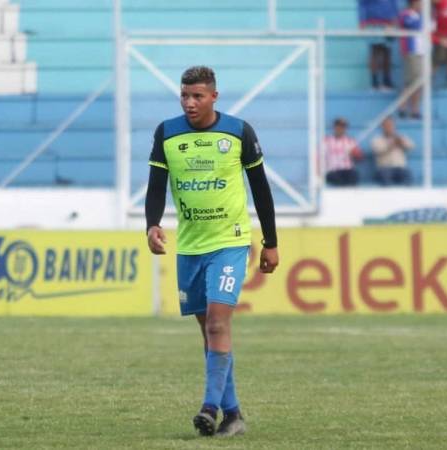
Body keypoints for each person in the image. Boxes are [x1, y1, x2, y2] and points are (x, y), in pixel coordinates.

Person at [145, 66, 279, 438]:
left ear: (214, 97)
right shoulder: (167, 133)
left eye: (198, 96)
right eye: (185, 96)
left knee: (220, 323)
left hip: (230, 242)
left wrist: (270, 242)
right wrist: (152, 224)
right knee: (209, 333)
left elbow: (261, 189)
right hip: (189, 246)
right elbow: (157, 185)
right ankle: (233, 414)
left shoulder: (237, 132)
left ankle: (208, 407)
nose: (190, 103)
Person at [358, 0, 400, 91]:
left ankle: (387, 82)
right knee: (375, 51)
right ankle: (374, 82)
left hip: (389, 23)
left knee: (387, 51)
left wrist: (396, 18)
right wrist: (362, 21)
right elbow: (362, 4)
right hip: (372, 22)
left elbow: (394, 3)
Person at [398, 0, 424, 119]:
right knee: (410, 82)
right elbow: (411, 25)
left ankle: (414, 109)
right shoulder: (406, 14)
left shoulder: (421, 15)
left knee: (418, 82)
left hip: (421, 51)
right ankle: (403, 107)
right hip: (411, 51)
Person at [371, 116, 414, 186]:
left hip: (400, 168)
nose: (389, 127)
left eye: (391, 125)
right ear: (382, 127)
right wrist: (391, 145)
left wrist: (402, 143)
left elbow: (411, 146)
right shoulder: (377, 139)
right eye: (386, 125)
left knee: (407, 174)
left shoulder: (401, 137)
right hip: (384, 168)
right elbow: (377, 150)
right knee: (385, 175)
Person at [323, 118, 363, 186]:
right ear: (334, 127)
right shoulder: (326, 141)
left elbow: (359, 157)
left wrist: (355, 154)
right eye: (339, 126)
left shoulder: (350, 141)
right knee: (335, 178)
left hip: (347, 170)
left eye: (343, 127)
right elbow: (318, 157)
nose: (341, 129)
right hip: (333, 170)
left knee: (354, 175)